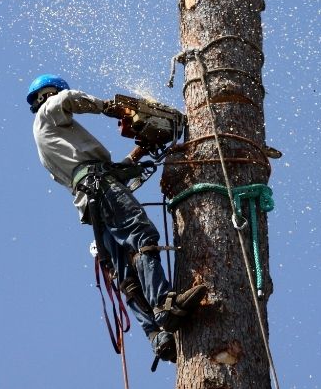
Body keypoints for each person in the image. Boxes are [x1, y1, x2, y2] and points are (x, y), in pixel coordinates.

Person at [27, 73, 206, 364]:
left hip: (91, 204)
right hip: (101, 188)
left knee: (125, 272)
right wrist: (112, 108)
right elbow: (68, 100)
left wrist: (139, 152)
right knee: (142, 235)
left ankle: (157, 336)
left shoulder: (50, 145)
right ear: (48, 95)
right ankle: (163, 304)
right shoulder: (48, 113)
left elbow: (101, 171)